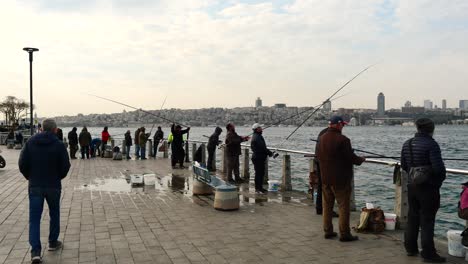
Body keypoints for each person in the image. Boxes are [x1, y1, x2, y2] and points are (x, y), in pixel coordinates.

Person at [18, 118, 70, 264]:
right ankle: (53, 242)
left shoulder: (30, 142)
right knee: (54, 213)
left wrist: (30, 177)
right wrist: (58, 176)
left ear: (41, 128)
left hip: (35, 185)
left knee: (34, 219)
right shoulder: (59, 145)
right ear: (55, 130)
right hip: (53, 185)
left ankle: (35, 252)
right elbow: (65, 165)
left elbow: (22, 163)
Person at [400, 118, 446, 262]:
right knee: (427, 220)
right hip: (428, 188)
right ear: (431, 129)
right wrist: (437, 183)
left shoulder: (407, 144)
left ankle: (410, 248)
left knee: (413, 217)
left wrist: (416, 176)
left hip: (412, 187)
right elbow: (439, 169)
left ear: (417, 128)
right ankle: (428, 253)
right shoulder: (432, 145)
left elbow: (404, 165)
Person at [317, 116, 365, 242]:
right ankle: (344, 234)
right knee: (343, 207)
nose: (343, 126)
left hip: (325, 179)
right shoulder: (343, 140)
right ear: (338, 125)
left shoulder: (321, 138)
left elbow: (318, 156)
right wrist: (361, 159)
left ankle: (328, 231)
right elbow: (351, 158)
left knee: (327, 206)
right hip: (340, 180)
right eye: (342, 124)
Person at [250, 123, 273, 193]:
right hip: (258, 158)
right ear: (257, 129)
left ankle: (259, 188)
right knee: (259, 174)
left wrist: (268, 152)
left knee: (259, 173)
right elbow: (263, 148)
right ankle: (258, 189)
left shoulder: (256, 136)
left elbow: (261, 148)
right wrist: (270, 153)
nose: (261, 129)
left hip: (257, 157)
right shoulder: (257, 137)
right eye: (260, 128)